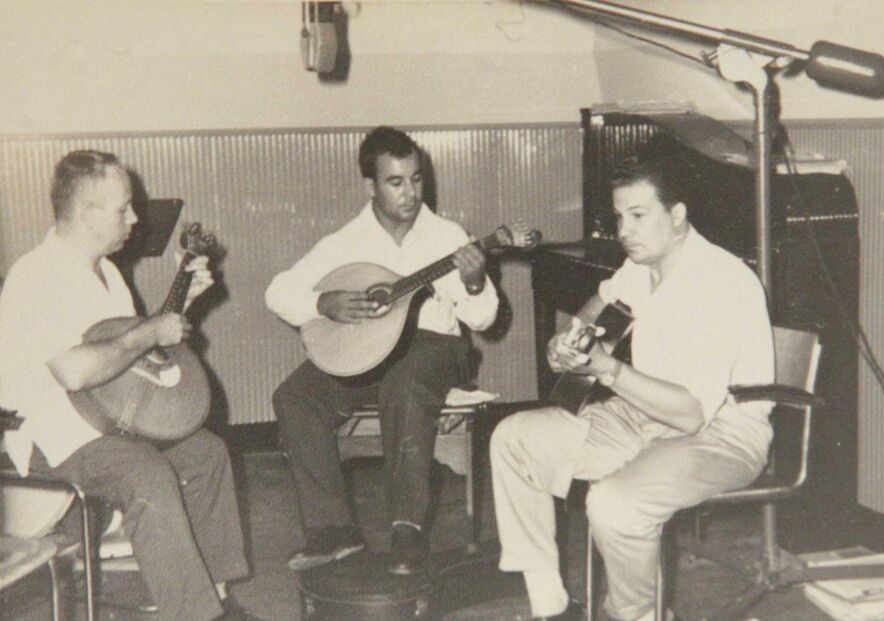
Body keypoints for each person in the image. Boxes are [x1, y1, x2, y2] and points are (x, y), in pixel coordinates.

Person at [490, 137, 775, 621]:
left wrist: (608, 368)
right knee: (515, 439)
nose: (625, 230)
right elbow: (595, 311)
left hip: (722, 434)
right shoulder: (641, 266)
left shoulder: (719, 281)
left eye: (639, 216)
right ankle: (550, 606)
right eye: (620, 217)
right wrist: (566, 343)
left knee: (615, 504)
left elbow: (689, 415)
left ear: (678, 214)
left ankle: (636, 616)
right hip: (641, 417)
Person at [0, 150, 260, 621]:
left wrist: (182, 306)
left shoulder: (108, 274)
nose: (135, 219)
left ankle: (214, 596)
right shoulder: (35, 276)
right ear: (86, 213)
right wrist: (150, 330)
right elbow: (74, 372)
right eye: (124, 208)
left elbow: (131, 361)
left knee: (207, 453)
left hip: (110, 424)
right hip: (52, 437)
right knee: (145, 473)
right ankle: (196, 615)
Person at [266, 126, 499, 575]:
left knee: (405, 381)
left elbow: (484, 318)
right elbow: (278, 291)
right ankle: (333, 530)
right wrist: (322, 302)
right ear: (370, 186)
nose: (410, 193)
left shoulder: (447, 236)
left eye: (416, 179)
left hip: (435, 348)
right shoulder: (345, 242)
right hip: (369, 351)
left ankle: (407, 530)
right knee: (294, 397)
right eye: (396, 182)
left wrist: (473, 280)